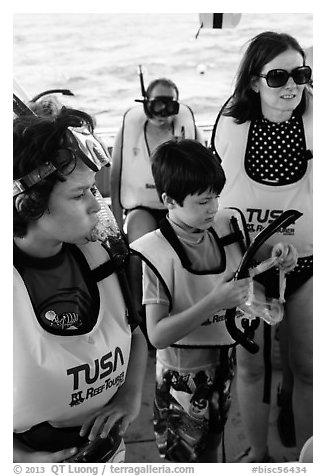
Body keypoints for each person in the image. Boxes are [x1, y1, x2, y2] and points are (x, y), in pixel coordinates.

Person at [130, 138, 296, 463]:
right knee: (186, 458)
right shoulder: (156, 254)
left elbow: (249, 270)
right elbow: (158, 334)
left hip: (224, 365)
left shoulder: (223, 227)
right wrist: (214, 302)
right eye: (203, 201)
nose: (213, 208)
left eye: (216, 197)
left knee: (214, 446)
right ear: (168, 201)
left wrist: (278, 259)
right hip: (182, 379)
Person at [13, 107, 148, 463]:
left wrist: (129, 398)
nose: (96, 205)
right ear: (29, 205)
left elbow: (133, 331)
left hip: (108, 450)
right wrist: (24, 461)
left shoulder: (101, 257)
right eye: (79, 195)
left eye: (93, 190)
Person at [211, 31, 313, 462]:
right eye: (278, 76)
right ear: (254, 82)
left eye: (301, 73)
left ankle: (307, 459)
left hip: (307, 262)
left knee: (307, 367)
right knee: (252, 366)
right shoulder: (231, 124)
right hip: (246, 266)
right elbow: (210, 197)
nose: (292, 85)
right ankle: (258, 454)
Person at [110, 75, 204, 328]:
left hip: (176, 205)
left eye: (169, 106)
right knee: (139, 248)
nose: (163, 113)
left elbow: (206, 169)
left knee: (181, 248)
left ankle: (179, 312)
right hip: (142, 205)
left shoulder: (187, 128)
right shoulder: (130, 129)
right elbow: (116, 176)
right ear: (145, 103)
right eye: (157, 105)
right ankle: (138, 315)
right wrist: (116, 226)